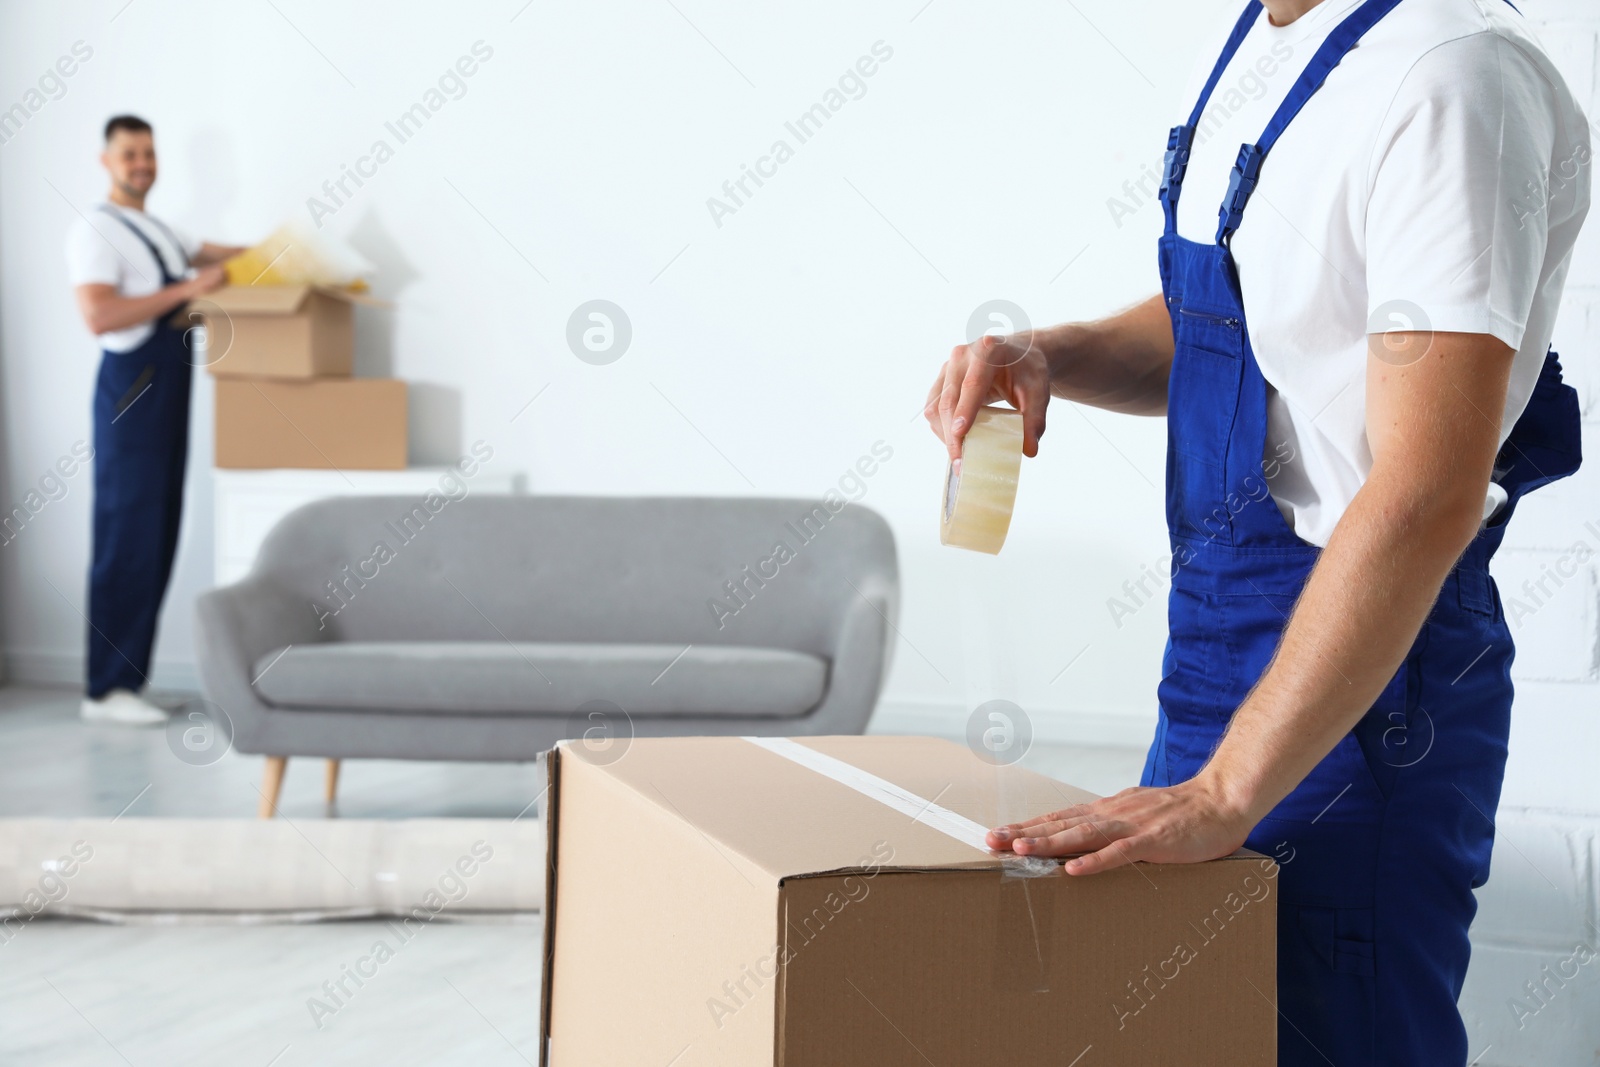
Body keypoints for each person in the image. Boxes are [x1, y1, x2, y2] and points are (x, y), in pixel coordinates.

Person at [928, 0, 1589, 1062]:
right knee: (1198, 1036)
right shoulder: (1260, 42)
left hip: (1369, 673)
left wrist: (1229, 786)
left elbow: (1425, 488)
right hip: (1212, 652)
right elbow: (1240, 319)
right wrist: (1054, 350)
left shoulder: (1450, 78)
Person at [65, 115, 243, 725]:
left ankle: (128, 682)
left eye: (148, 152)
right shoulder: (96, 229)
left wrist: (284, 253)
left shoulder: (160, 229)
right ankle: (104, 689)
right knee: (125, 535)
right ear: (106, 159)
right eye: (129, 153)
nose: (142, 162)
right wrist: (190, 288)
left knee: (158, 532)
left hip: (168, 390)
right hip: (131, 393)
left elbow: (220, 258)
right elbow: (100, 315)